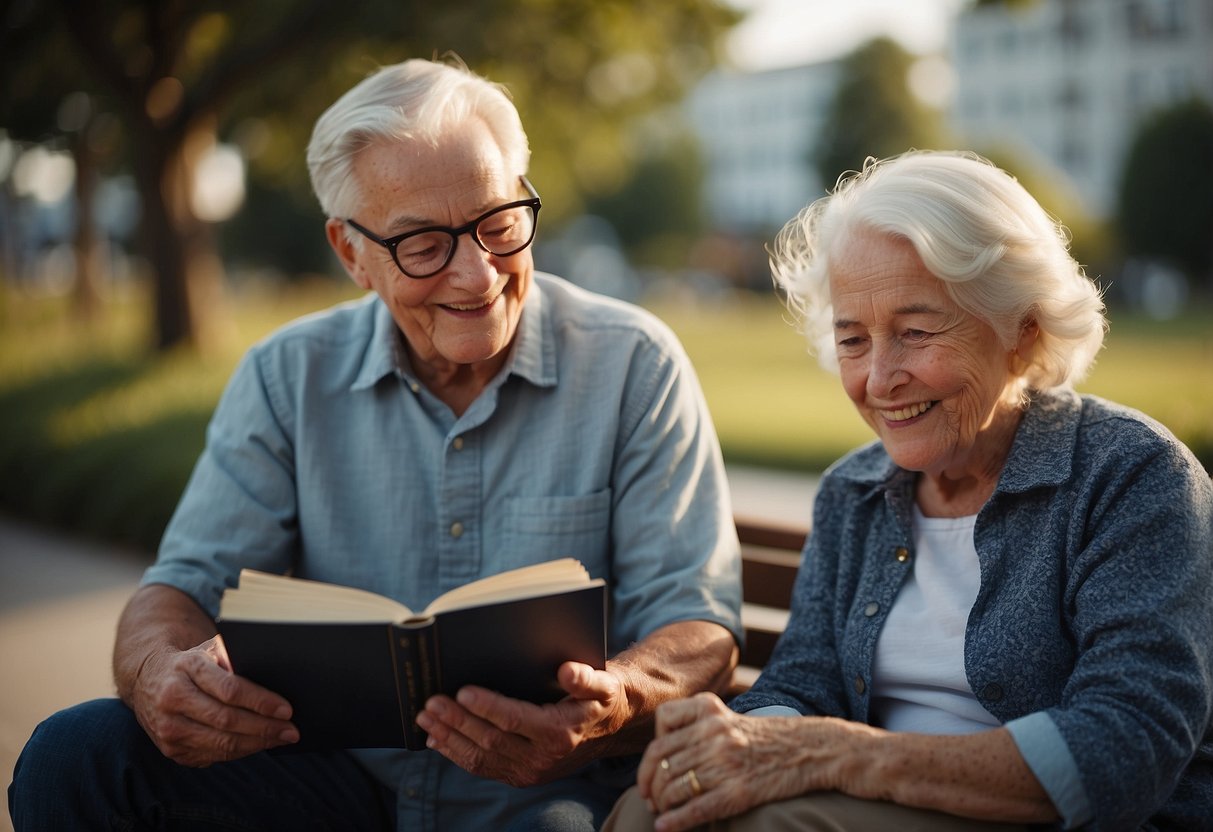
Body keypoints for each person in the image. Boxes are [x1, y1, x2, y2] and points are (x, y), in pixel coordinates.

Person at [8, 57, 743, 831]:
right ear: (350, 252)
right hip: (330, 787)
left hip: (539, 792)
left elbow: (698, 624)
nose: (476, 274)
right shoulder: (287, 373)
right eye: (425, 245)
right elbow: (182, 587)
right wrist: (162, 676)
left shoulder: (631, 363)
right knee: (77, 752)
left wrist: (616, 698)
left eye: (498, 224)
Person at [604, 150, 1213, 832]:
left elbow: (1124, 743)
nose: (879, 378)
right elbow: (803, 683)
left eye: (915, 333)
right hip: (872, 804)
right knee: (648, 807)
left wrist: (838, 756)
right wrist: (745, 744)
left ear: (1024, 330)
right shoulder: (854, 492)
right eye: (852, 340)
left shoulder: (1132, 477)